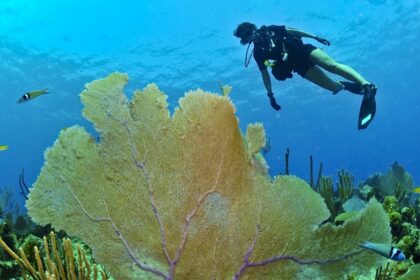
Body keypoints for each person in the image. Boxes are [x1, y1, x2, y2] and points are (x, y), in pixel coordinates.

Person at [233, 22, 377, 129]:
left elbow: (293, 31)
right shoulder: (259, 53)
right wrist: (270, 95)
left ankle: (367, 85)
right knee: (334, 87)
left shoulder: (271, 30)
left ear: (253, 28)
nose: (253, 37)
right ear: (246, 41)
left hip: (305, 50)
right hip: (299, 67)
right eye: (247, 37)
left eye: (250, 32)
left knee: (332, 65)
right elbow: (265, 74)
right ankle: (345, 85)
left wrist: (315, 37)